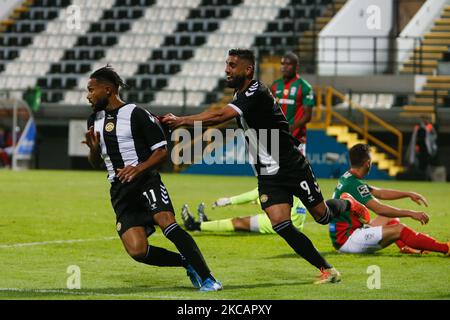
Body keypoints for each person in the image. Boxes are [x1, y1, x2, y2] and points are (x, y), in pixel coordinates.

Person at [162, 48, 372, 284]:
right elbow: (222, 117)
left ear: (248, 69)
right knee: (281, 224)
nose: (226, 69)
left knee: (322, 216)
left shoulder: (256, 91)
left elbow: (218, 117)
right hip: (268, 174)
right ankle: (327, 269)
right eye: (227, 64)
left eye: (232, 65)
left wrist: (181, 121)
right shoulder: (239, 95)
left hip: (291, 165)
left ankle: (348, 203)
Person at [82, 66, 222, 292]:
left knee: (167, 223)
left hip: (146, 181)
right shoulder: (93, 120)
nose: (88, 95)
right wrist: (94, 150)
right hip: (120, 190)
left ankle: (208, 278)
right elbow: (96, 163)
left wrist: (138, 169)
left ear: (107, 90)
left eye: (91, 90)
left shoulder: (136, 113)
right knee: (137, 251)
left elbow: (162, 152)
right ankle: (186, 261)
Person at [329, 143, 449, 255]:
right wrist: (411, 213)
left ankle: (406, 247)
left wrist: (408, 194)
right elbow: (380, 209)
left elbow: (380, 193)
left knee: (390, 218)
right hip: (348, 239)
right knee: (399, 229)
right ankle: (446, 248)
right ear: (367, 163)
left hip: (347, 234)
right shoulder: (354, 184)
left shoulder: (348, 177)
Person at [181, 190, 306, 233]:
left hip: (283, 221)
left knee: (238, 222)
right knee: (243, 220)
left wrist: (228, 200)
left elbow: (255, 193)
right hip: (296, 220)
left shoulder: (275, 173)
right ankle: (207, 223)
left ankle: (194, 225)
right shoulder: (290, 172)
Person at [271, 52, 314, 155]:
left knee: (298, 170)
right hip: (278, 137)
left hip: (297, 138)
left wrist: (290, 128)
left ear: (296, 66)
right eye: (282, 64)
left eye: (288, 64)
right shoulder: (275, 85)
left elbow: (307, 116)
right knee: (278, 170)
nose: (284, 67)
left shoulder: (305, 87)